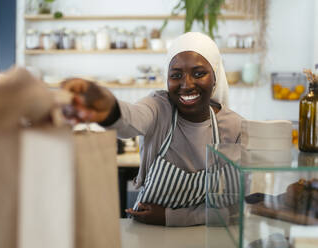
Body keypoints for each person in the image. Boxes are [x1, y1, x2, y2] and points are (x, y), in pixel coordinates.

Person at [62, 32, 243, 227]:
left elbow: (235, 209)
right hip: (148, 233)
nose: (187, 84)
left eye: (199, 73)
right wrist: (108, 108)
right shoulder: (159, 107)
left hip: (207, 236)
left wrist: (171, 217)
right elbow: (131, 118)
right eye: (176, 75)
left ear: (215, 77)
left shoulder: (234, 128)